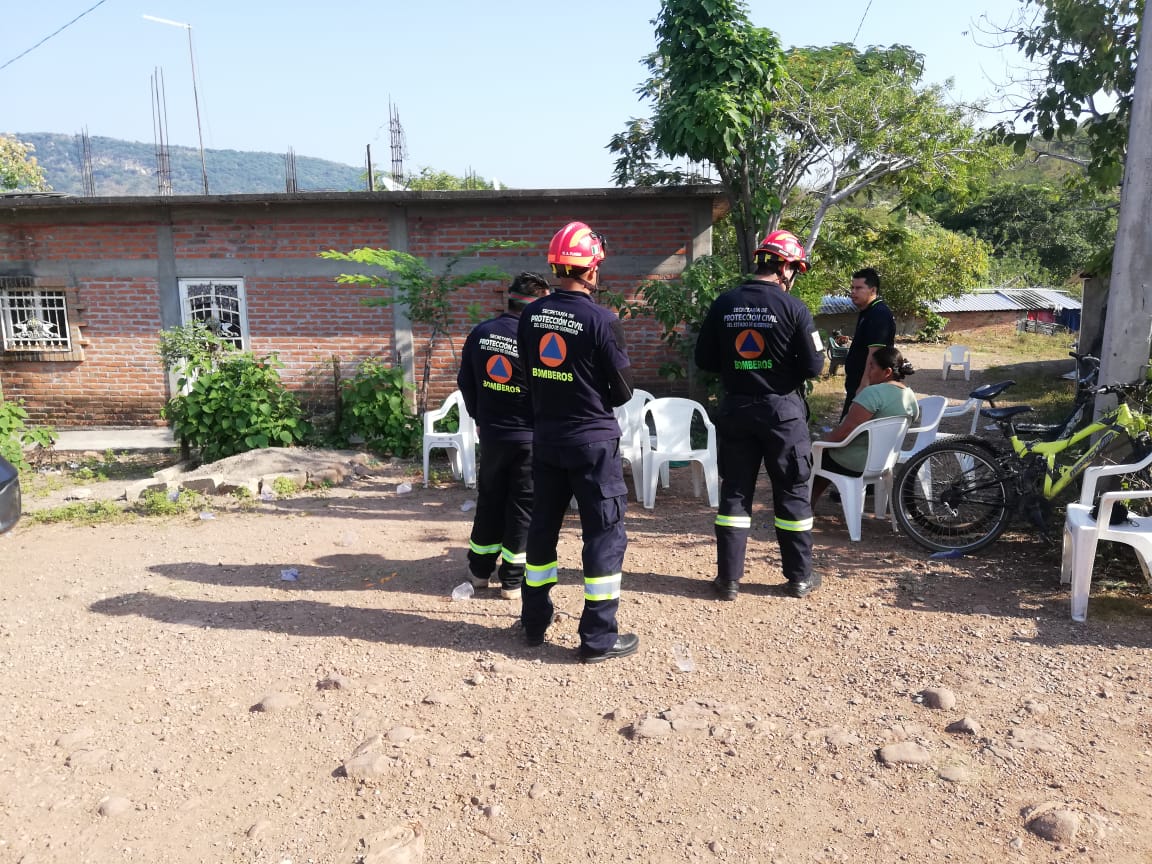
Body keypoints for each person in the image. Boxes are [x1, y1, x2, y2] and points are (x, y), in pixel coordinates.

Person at [516, 221, 639, 663]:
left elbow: (530, 373)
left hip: (546, 439)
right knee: (603, 534)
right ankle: (598, 639)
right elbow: (623, 390)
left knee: (542, 531)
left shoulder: (531, 314)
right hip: (592, 443)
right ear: (591, 270)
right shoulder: (602, 319)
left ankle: (533, 624)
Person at [694, 229, 825, 600]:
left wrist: (739, 366)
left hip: (736, 408)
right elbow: (815, 366)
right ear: (784, 267)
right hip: (782, 412)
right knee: (792, 492)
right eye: (794, 269)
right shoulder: (794, 309)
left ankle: (729, 581)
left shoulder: (724, 303)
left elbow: (704, 359)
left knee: (735, 493)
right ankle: (799, 579)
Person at [456, 272, 552, 600]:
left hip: (494, 435)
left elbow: (466, 381)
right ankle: (512, 581)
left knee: (490, 501)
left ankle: (479, 572)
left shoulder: (481, 332)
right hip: (528, 438)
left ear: (509, 298)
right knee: (523, 505)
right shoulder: (537, 338)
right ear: (538, 302)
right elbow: (548, 389)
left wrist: (479, 417)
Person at [811, 346, 919, 505]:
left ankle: (807, 504)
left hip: (856, 463)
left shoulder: (873, 393)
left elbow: (845, 431)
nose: (868, 371)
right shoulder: (909, 395)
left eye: (872, 366)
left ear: (887, 372)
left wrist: (820, 445)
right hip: (884, 462)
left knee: (816, 456)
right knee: (824, 455)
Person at [842, 267, 896, 418]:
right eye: (852, 287)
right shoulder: (868, 311)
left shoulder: (879, 314)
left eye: (859, 288)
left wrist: (864, 386)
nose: (853, 292)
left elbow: (875, 353)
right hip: (857, 384)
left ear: (872, 290)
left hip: (867, 388)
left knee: (848, 432)